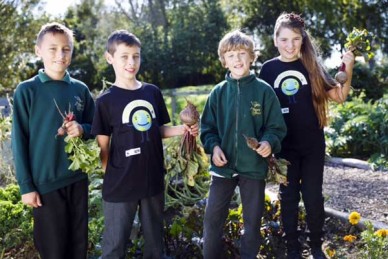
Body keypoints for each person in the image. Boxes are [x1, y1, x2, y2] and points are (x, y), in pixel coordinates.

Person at [91, 29, 198, 259]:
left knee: (155, 246)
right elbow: (103, 148)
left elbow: (157, 129)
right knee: (114, 247)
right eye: (124, 56)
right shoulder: (105, 101)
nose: (131, 62)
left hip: (152, 182)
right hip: (120, 186)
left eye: (136, 56)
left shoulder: (152, 92)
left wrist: (183, 130)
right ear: (110, 58)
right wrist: (114, 174)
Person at [258, 12, 355, 259]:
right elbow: (259, 110)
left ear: (303, 40)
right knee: (288, 198)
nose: (290, 45)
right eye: (284, 39)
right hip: (284, 148)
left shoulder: (311, 65)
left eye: (296, 39)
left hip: (312, 145)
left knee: (313, 198)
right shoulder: (268, 70)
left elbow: (340, 96)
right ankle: (292, 248)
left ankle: (315, 246)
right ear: (275, 40)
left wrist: (349, 65)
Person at [200, 30, 287, 259]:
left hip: (253, 168)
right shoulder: (217, 93)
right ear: (224, 61)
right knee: (212, 221)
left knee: (252, 222)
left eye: (242, 54)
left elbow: (276, 126)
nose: (237, 59)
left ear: (251, 57)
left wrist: (269, 141)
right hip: (222, 169)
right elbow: (207, 129)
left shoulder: (263, 91)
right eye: (231, 55)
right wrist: (214, 147)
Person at [11, 22, 95, 259]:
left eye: (66, 49)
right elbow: (19, 140)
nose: (60, 55)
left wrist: (82, 128)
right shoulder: (27, 90)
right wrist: (26, 186)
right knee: (54, 251)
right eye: (53, 48)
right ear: (38, 51)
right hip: (45, 184)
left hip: (77, 179)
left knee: (78, 248)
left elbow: (97, 128)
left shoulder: (80, 90)